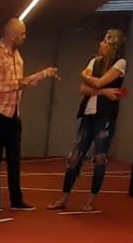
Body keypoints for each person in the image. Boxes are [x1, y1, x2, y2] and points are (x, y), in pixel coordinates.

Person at [0, 19, 58, 211]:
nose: (25, 38)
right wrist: (16, 85)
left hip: (14, 113)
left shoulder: (18, 57)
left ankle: (16, 200)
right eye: (22, 34)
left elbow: (23, 82)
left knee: (14, 159)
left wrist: (43, 74)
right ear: (13, 35)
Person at [49, 29, 125, 213]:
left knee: (99, 157)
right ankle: (63, 198)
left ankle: (90, 201)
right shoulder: (94, 61)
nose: (101, 43)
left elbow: (95, 83)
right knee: (75, 157)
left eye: (105, 41)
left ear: (113, 45)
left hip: (104, 117)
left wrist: (88, 79)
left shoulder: (120, 63)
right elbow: (84, 88)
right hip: (88, 116)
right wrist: (103, 91)